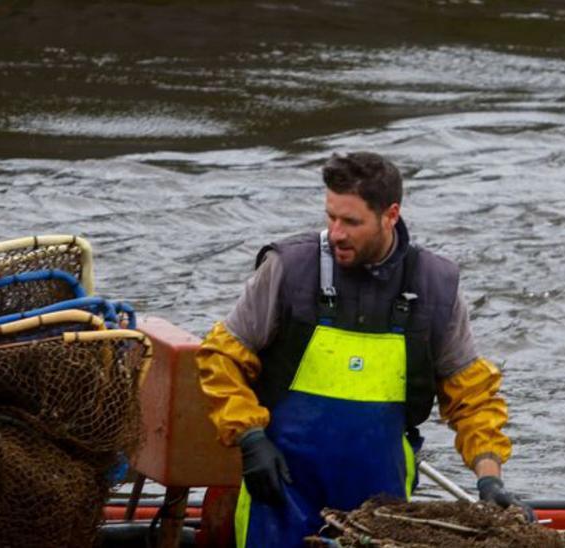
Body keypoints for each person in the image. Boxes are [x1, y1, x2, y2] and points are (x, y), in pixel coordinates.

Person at [195, 152, 527, 547]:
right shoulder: (288, 268)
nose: (336, 232)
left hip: (380, 506)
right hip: (280, 491)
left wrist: (488, 476)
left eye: (351, 222)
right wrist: (250, 439)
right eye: (330, 217)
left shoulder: (435, 287)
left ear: (391, 215)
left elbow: (473, 398)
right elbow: (220, 358)